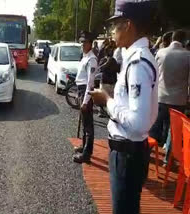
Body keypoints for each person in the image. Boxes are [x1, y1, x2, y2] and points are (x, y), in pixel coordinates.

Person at [90, 0, 159, 213]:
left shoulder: (138, 63)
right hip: (129, 151)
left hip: (127, 153)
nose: (112, 30)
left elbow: (138, 123)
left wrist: (107, 101)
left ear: (128, 25)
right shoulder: (135, 58)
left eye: (115, 24)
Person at [149, 30, 190, 165]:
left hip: (161, 96)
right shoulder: (187, 56)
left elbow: (154, 73)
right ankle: (168, 160)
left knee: (155, 127)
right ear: (184, 41)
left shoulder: (161, 53)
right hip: (179, 99)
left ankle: (145, 153)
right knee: (174, 132)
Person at [73, 32, 98, 164]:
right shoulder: (85, 57)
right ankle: (84, 147)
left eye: (85, 42)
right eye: (82, 42)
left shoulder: (91, 59)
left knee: (88, 126)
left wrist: (85, 101)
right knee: (84, 124)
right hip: (81, 91)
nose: (82, 45)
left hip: (86, 92)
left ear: (90, 44)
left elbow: (90, 83)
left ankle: (87, 154)